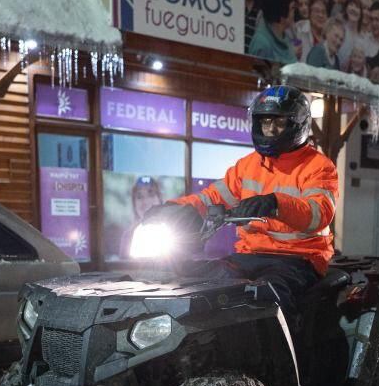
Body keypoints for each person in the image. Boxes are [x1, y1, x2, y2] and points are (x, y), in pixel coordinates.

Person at [141, 86, 338, 311]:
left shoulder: (319, 166)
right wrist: (174, 208)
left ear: (297, 124)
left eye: (279, 122)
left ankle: (283, 345)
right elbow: (214, 197)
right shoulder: (248, 165)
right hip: (249, 254)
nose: (270, 129)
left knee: (271, 296)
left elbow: (318, 213)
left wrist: (276, 203)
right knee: (208, 282)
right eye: (265, 122)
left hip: (298, 259)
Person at [246, 0, 298, 64]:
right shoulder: (261, 43)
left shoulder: (285, 39)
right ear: (282, 11)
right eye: (292, 8)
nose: (294, 13)